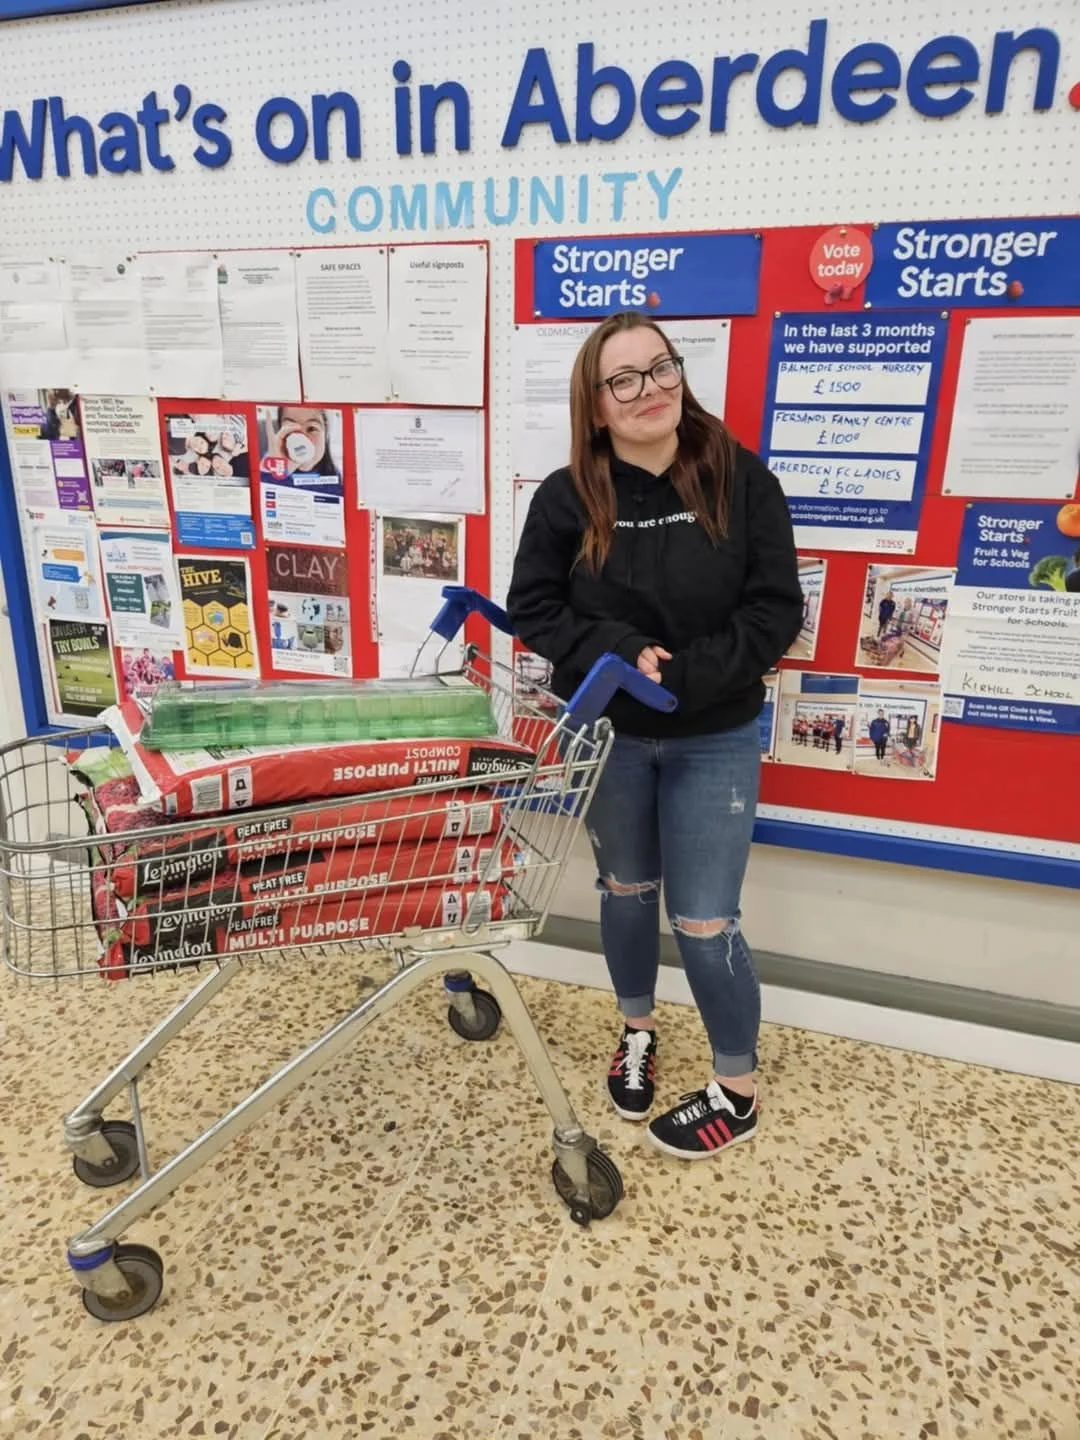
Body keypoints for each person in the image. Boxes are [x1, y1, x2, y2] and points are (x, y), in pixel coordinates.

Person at [507, 310, 802, 1160]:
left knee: (707, 919)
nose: (649, 391)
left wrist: (688, 676)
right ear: (595, 405)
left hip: (715, 735)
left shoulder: (742, 481)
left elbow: (775, 609)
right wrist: (622, 652)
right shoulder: (569, 496)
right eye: (624, 380)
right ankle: (636, 1030)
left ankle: (735, 1089)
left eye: (661, 368)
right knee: (625, 890)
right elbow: (536, 609)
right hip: (614, 738)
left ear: (681, 374)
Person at [262, 407, 339, 477]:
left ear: (326, 435)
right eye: (291, 429)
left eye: (311, 428)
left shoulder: (338, 476)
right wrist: (276, 470)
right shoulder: (268, 467)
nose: (302, 442)